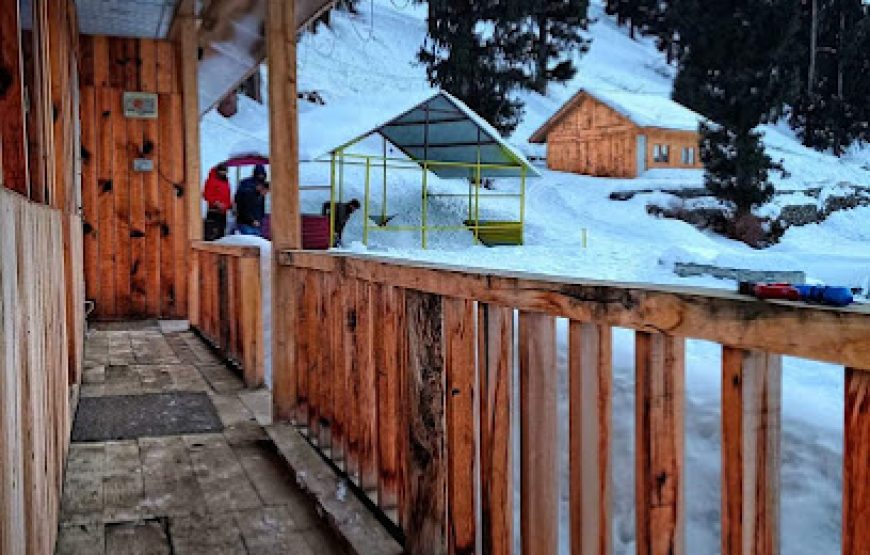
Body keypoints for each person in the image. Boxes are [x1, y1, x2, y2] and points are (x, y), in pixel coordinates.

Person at [235, 164, 269, 236]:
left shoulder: (256, 192)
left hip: (254, 222)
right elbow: (245, 208)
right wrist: (252, 220)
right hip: (248, 223)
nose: (265, 194)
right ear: (260, 187)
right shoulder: (248, 191)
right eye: (265, 192)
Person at [203, 163, 232, 240]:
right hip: (214, 212)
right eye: (222, 170)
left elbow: (227, 196)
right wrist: (216, 202)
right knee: (212, 235)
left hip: (223, 213)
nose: (223, 172)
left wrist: (230, 205)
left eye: (225, 171)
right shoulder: (211, 180)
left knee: (221, 235)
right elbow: (206, 195)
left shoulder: (226, 182)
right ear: (218, 171)